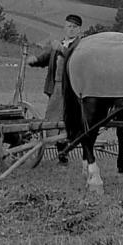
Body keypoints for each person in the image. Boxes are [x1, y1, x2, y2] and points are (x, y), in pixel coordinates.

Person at [28, 13, 83, 163]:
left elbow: (76, 59)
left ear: (79, 30)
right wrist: (35, 60)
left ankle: (64, 154)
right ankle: (61, 152)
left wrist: (62, 50)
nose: (71, 30)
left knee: (68, 120)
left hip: (71, 89)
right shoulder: (59, 43)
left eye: (74, 27)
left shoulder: (80, 46)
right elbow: (46, 58)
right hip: (57, 87)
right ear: (64, 27)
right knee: (53, 119)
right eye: (68, 26)